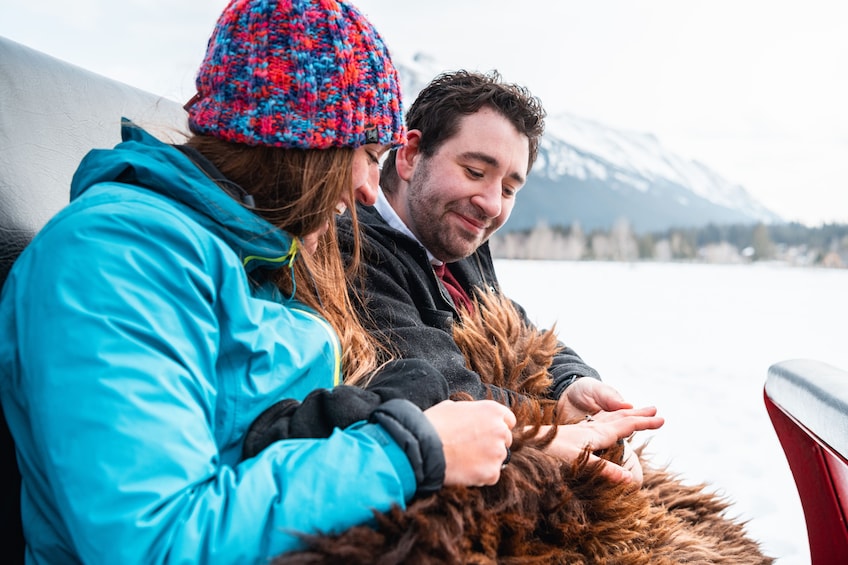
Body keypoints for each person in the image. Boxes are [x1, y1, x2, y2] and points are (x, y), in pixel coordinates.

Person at [0, 2, 519, 563]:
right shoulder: (114, 260)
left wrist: (363, 409)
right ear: (298, 144)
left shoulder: (257, 256)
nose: (372, 189)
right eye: (368, 155)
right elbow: (153, 542)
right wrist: (407, 451)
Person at [337, 69, 663, 484]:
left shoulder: (455, 244)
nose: (491, 204)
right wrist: (560, 419)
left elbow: (522, 335)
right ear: (410, 154)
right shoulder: (354, 252)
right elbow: (444, 389)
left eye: (509, 189)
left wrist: (570, 384)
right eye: (475, 171)